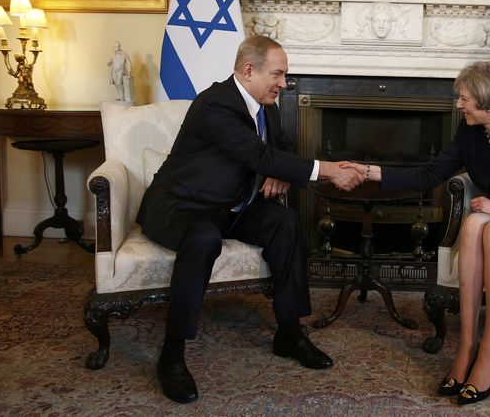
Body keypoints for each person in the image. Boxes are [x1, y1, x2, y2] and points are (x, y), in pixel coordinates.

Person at [136, 35, 364, 404]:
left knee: (284, 223)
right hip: (183, 206)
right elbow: (255, 153)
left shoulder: (264, 105)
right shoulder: (215, 104)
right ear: (248, 70)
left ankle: (289, 332)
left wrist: (281, 173)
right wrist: (328, 171)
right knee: (203, 239)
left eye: (285, 75)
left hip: (232, 205)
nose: (284, 84)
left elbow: (281, 149)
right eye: (278, 74)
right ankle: (172, 353)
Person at [343, 60, 490, 406]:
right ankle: (466, 345)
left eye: (464, 98)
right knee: (471, 225)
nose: (458, 105)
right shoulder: (470, 133)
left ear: (488, 99)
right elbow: (427, 174)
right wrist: (368, 171)